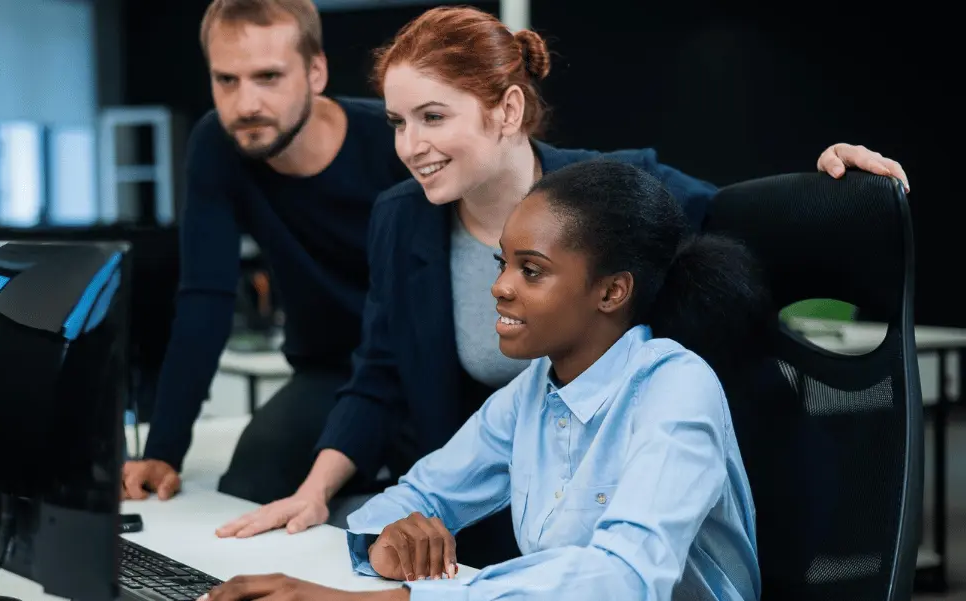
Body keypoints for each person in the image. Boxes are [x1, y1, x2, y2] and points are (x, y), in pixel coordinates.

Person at [213, 4, 910, 569]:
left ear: (508, 110)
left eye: (432, 117)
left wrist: (830, 181)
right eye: (397, 122)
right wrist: (316, 494)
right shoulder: (405, 224)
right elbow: (379, 375)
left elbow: (743, 219)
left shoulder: (609, 200)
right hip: (501, 502)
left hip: (625, 512)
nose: (408, 146)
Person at [202, 158, 771, 601]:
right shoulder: (533, 391)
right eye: (503, 262)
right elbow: (418, 494)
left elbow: (625, 576)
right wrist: (389, 542)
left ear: (611, 291)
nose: (500, 286)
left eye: (532, 270)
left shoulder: (676, 387)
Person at [120, 0, 411, 505]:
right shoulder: (217, 143)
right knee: (249, 491)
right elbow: (203, 301)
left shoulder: (395, 142)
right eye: (227, 80)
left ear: (315, 71)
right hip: (329, 371)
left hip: (421, 367)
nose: (245, 103)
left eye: (268, 77)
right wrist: (165, 449)